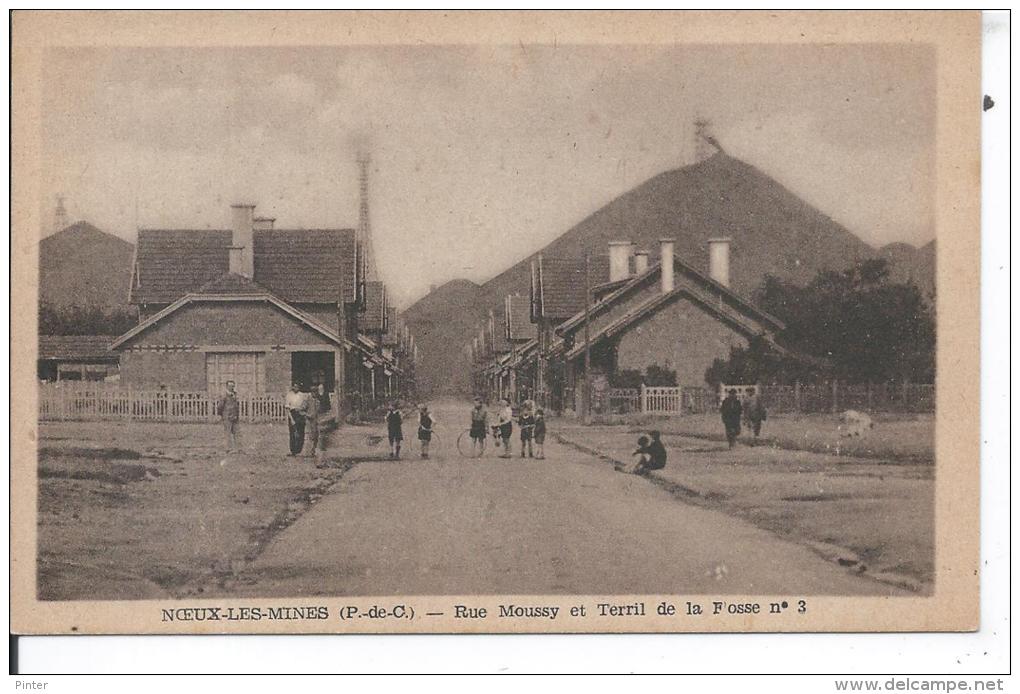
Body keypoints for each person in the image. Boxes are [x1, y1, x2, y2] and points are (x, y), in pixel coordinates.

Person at [215, 380, 240, 452]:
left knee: (236, 432)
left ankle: (236, 448)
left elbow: (236, 405)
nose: (231, 387)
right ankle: (227, 448)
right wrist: (223, 415)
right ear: (227, 386)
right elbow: (220, 406)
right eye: (230, 386)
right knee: (227, 433)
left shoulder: (235, 394)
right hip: (227, 417)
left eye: (233, 386)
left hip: (235, 416)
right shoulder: (224, 396)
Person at [285, 382, 307, 456]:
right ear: (292, 387)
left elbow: (305, 405)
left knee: (301, 431)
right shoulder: (289, 395)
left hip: (300, 414)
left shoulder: (302, 395)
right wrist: (291, 419)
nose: (296, 388)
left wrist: (303, 413)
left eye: (297, 387)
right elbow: (287, 408)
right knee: (293, 432)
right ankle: (293, 450)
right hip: (292, 413)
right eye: (295, 387)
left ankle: (299, 450)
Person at [303, 385, 321, 457]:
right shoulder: (307, 400)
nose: (315, 394)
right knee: (309, 436)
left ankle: (313, 451)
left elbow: (319, 412)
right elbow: (301, 410)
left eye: (316, 392)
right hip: (309, 421)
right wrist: (307, 415)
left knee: (316, 436)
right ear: (311, 392)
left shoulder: (318, 401)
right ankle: (308, 452)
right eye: (313, 392)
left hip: (315, 421)